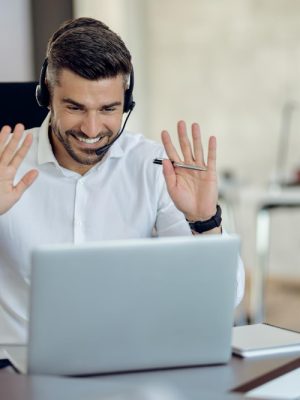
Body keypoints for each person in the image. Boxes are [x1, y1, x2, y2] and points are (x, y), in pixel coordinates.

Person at [0, 17, 244, 343]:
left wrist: (204, 222)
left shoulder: (154, 167)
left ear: (126, 104)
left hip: (128, 363)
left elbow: (223, 299)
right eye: (74, 107)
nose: (91, 128)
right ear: (46, 96)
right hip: (18, 367)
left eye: (108, 109)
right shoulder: (5, 164)